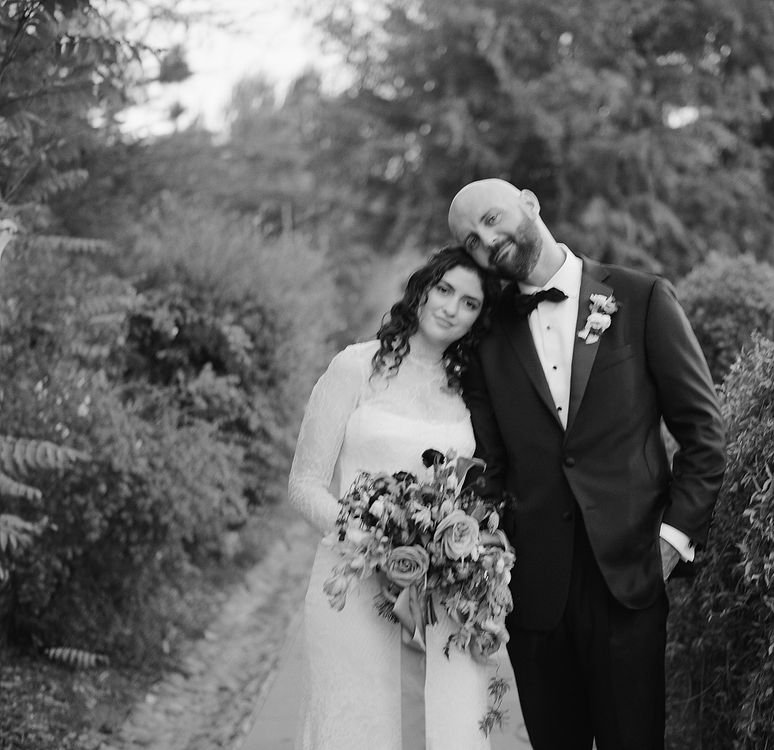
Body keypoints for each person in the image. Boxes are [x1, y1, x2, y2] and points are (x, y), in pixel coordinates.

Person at [449, 179, 727, 750]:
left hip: (629, 580)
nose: (489, 241)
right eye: (473, 241)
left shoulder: (643, 297)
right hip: (534, 592)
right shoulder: (485, 335)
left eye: (494, 219)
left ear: (530, 203)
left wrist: (671, 541)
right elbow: (489, 466)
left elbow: (703, 433)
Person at [286, 245, 502, 749]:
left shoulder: (468, 389)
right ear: (421, 288)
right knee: (358, 725)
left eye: (469, 303)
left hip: (441, 595)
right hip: (352, 584)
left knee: (449, 725)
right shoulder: (355, 367)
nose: (451, 308)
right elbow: (303, 485)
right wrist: (375, 546)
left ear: (478, 318)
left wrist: (464, 554)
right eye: (444, 290)